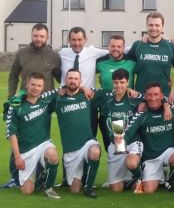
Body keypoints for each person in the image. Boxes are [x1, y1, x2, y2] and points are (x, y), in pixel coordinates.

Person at [4, 23, 61, 189]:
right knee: (19, 139)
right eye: (36, 35)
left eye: (42, 36)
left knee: (42, 139)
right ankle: (16, 178)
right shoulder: (22, 53)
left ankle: (42, 174)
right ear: (32, 35)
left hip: (45, 105)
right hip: (23, 102)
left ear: (47, 37)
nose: (38, 39)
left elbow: (60, 77)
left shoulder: (53, 56)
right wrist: (11, 97)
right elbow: (13, 76)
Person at [117, 82, 174, 194]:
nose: (153, 98)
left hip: (169, 151)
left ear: (162, 96)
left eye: (156, 94)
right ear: (146, 96)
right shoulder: (141, 114)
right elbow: (129, 131)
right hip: (150, 156)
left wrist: (166, 105)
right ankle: (139, 177)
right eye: (150, 95)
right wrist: (120, 141)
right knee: (148, 190)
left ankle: (168, 180)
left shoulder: (172, 110)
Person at [5, 72, 60, 198]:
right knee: (27, 191)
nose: (35, 88)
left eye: (39, 85)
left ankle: (49, 188)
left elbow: (64, 88)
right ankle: (41, 176)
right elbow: (12, 134)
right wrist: (18, 157)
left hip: (43, 144)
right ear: (27, 85)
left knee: (52, 154)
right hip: (25, 151)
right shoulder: (16, 105)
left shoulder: (46, 100)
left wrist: (84, 89)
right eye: (33, 84)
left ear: (43, 87)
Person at [50, 69, 101, 198]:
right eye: (70, 78)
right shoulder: (58, 99)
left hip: (87, 143)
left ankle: (89, 188)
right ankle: (75, 176)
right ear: (65, 80)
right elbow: (39, 97)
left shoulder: (87, 96)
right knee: (74, 190)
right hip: (71, 150)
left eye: (76, 79)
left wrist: (129, 90)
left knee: (95, 151)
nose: (73, 81)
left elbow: (110, 92)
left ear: (80, 81)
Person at [92, 69, 144, 193]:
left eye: (122, 82)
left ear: (128, 82)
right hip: (116, 141)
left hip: (132, 140)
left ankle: (139, 177)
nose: (119, 85)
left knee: (131, 163)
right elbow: (89, 92)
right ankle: (129, 180)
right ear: (112, 83)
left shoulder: (135, 97)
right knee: (116, 189)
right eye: (116, 82)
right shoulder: (106, 98)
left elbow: (154, 98)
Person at [127, 12, 174, 95]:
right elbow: (126, 66)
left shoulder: (171, 47)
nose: (154, 28)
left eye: (157, 25)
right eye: (151, 25)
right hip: (141, 95)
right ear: (147, 26)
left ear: (162, 27)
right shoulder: (138, 45)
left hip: (163, 96)